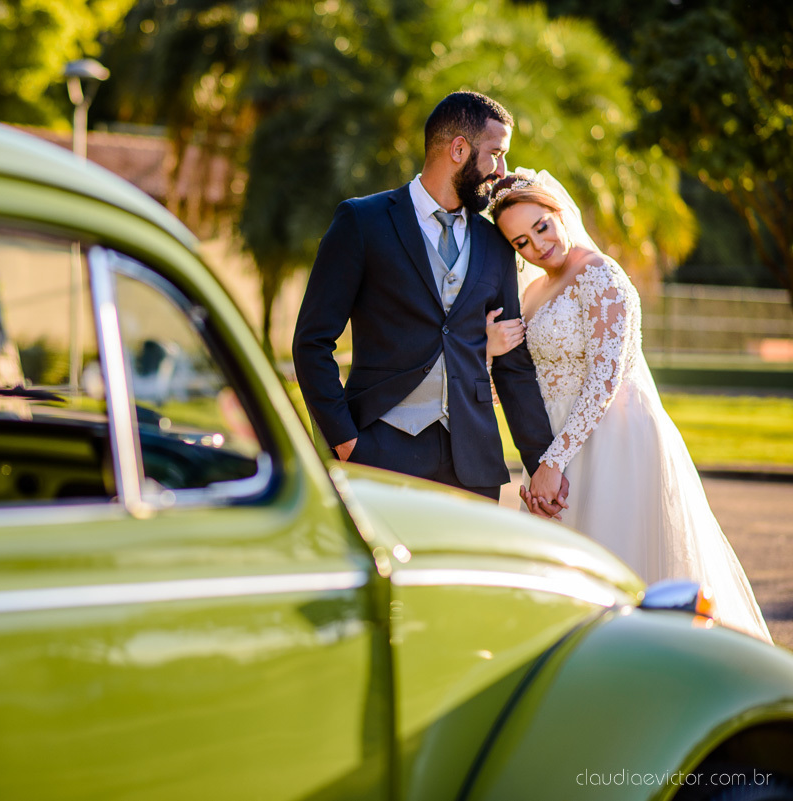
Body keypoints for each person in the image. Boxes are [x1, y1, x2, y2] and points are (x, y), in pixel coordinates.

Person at [487, 170, 772, 642]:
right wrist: (490, 350)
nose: (537, 246)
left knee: (618, 572)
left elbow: (603, 381)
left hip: (614, 442)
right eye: (521, 242)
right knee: (564, 583)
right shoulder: (533, 291)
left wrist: (552, 463)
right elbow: (527, 382)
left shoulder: (602, 276)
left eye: (541, 226)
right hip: (556, 444)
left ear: (558, 212)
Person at [293, 91, 565, 511]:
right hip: (379, 453)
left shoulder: (495, 242)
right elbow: (312, 342)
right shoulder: (363, 221)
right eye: (496, 153)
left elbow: (512, 364)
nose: (503, 170)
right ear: (459, 149)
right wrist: (345, 441)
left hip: (473, 466)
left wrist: (542, 463)